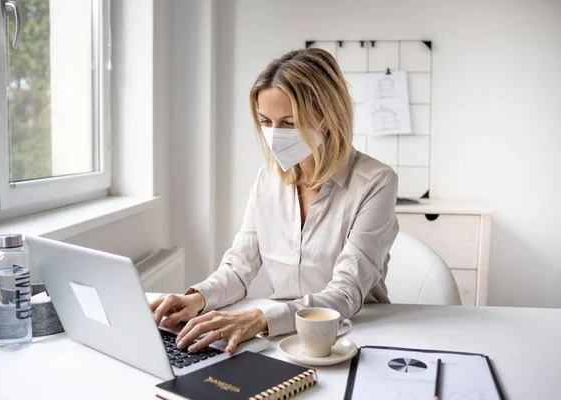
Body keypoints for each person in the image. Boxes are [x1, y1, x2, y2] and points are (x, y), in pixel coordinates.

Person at [150, 48, 399, 355]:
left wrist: (258, 318)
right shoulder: (266, 180)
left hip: (354, 332)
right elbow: (239, 268)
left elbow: (344, 293)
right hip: (281, 336)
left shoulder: (375, 182)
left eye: (289, 123)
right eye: (266, 121)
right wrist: (197, 298)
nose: (273, 135)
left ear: (327, 117)